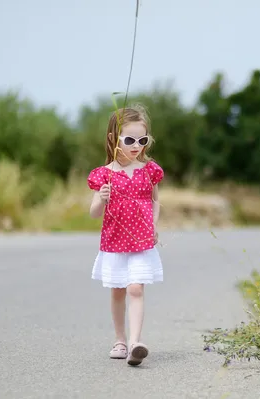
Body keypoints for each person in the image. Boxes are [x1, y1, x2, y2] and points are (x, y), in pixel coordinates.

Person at [86, 104, 164, 367]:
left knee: (136, 288)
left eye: (142, 140)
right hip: (115, 242)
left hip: (142, 242)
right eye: (129, 140)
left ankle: (135, 343)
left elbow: (155, 202)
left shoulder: (149, 170)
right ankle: (120, 339)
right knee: (118, 290)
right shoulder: (104, 175)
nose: (136, 146)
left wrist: (153, 226)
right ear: (113, 138)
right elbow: (94, 212)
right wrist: (102, 199)